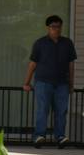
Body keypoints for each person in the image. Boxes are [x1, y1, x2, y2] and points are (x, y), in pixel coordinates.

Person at [22, 15, 77, 148]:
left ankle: (60, 137)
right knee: (43, 110)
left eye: (59, 27)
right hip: (43, 82)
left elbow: (71, 65)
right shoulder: (40, 43)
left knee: (61, 111)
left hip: (62, 83)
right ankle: (39, 136)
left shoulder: (67, 43)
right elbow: (32, 64)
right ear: (48, 28)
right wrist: (27, 82)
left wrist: (71, 83)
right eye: (53, 27)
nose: (56, 29)